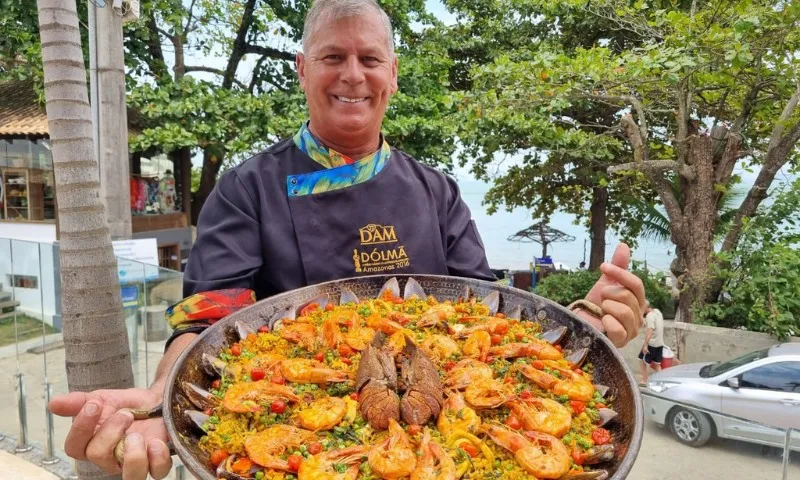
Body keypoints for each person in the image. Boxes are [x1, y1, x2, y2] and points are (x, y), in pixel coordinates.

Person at [48, 0, 647, 478]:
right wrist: (165, 396)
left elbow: (490, 316)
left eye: (371, 58)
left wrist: (585, 320)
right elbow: (206, 323)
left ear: (392, 72)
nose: (353, 75)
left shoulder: (437, 191)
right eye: (333, 56)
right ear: (304, 68)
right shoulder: (246, 188)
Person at [639, 300, 665, 383]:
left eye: (642, 308)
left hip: (652, 344)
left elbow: (650, 330)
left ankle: (644, 379)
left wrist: (645, 345)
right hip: (660, 343)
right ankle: (662, 381)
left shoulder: (649, 316)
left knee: (641, 360)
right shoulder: (657, 312)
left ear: (646, 307)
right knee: (657, 365)